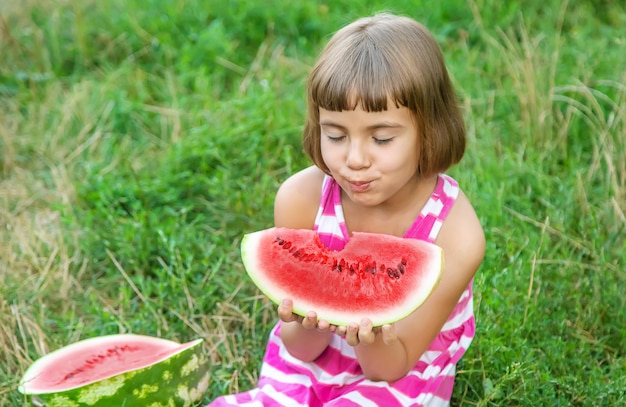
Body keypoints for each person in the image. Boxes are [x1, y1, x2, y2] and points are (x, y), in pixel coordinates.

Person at [210, 12, 485, 407]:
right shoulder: (300, 198)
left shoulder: (456, 235)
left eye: (382, 138)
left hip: (400, 372)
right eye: (335, 134)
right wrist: (307, 319)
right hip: (307, 368)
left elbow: (392, 366)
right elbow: (301, 350)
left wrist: (371, 337)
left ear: (430, 130)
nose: (355, 159)